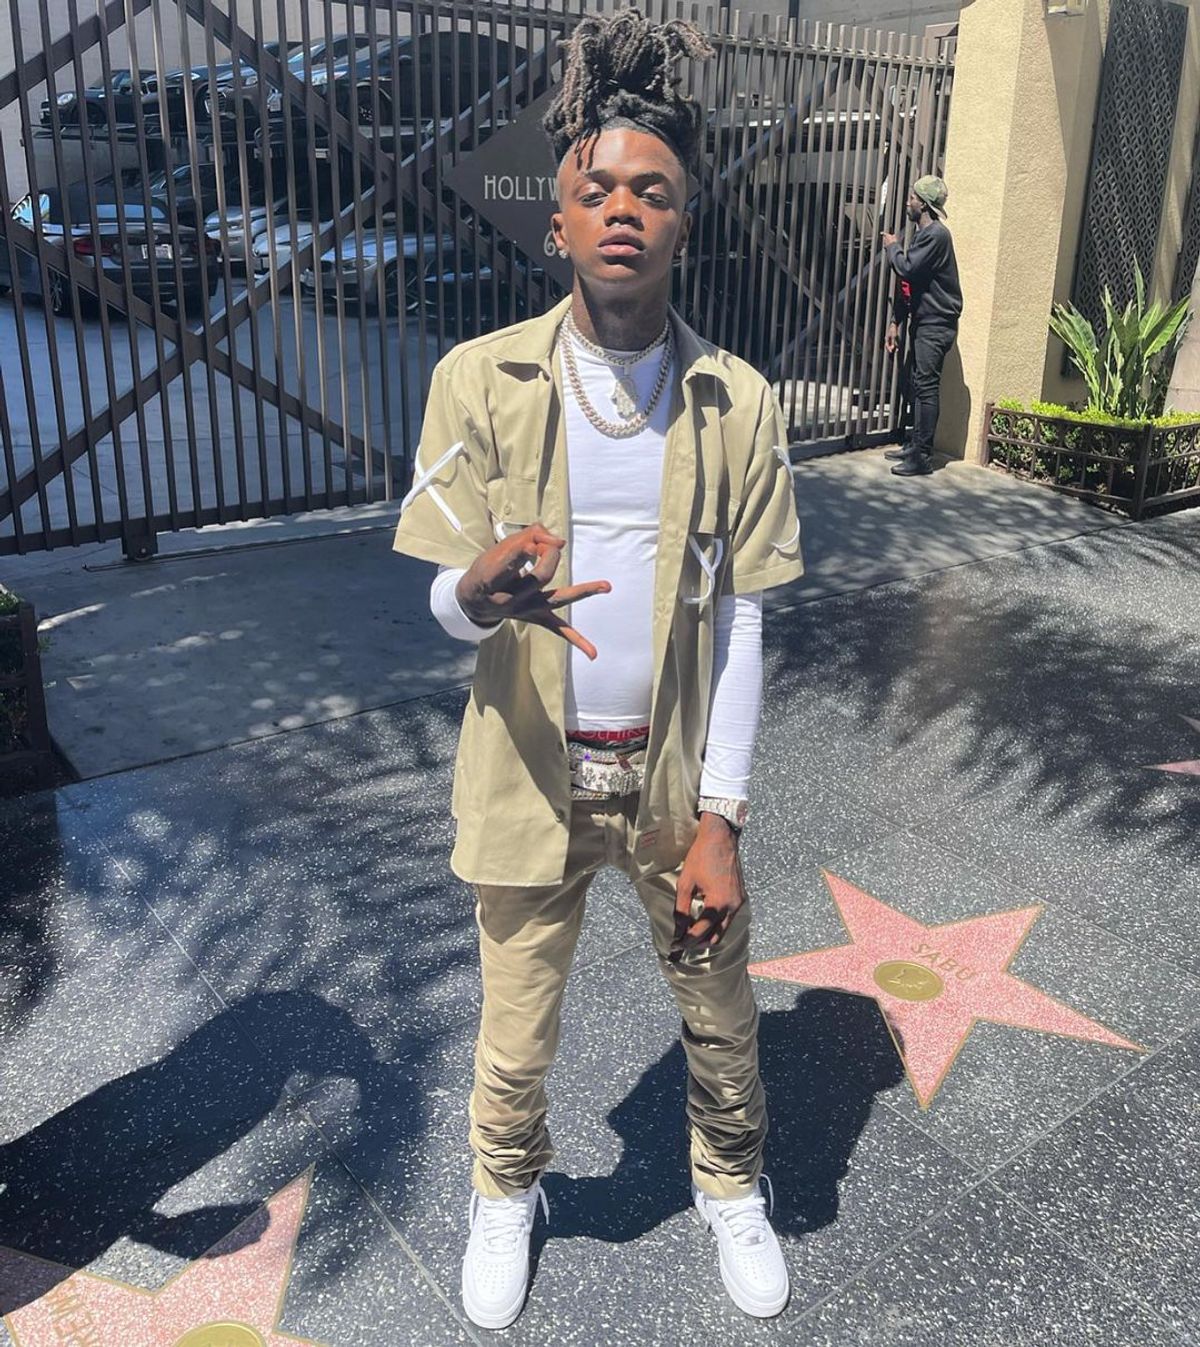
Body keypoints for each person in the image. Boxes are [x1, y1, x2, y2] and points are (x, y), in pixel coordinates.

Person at [391, 8, 804, 1330]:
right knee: (515, 1026)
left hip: (674, 785)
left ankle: (731, 1182)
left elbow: (744, 620)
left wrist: (723, 817)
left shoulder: (738, 401)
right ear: (559, 220)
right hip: (530, 775)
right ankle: (506, 1191)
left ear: (685, 221)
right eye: (599, 189)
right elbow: (442, 605)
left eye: (654, 191)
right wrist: (475, 595)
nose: (625, 209)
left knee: (720, 1006)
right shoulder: (479, 380)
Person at [882, 175, 962, 477]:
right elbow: (910, 284)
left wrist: (893, 247)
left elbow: (906, 268)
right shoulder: (924, 235)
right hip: (925, 321)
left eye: (912, 197)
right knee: (915, 383)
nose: (908, 202)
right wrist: (896, 322)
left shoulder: (936, 236)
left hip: (936, 324)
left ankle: (922, 457)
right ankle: (914, 445)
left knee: (926, 387)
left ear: (924, 205)